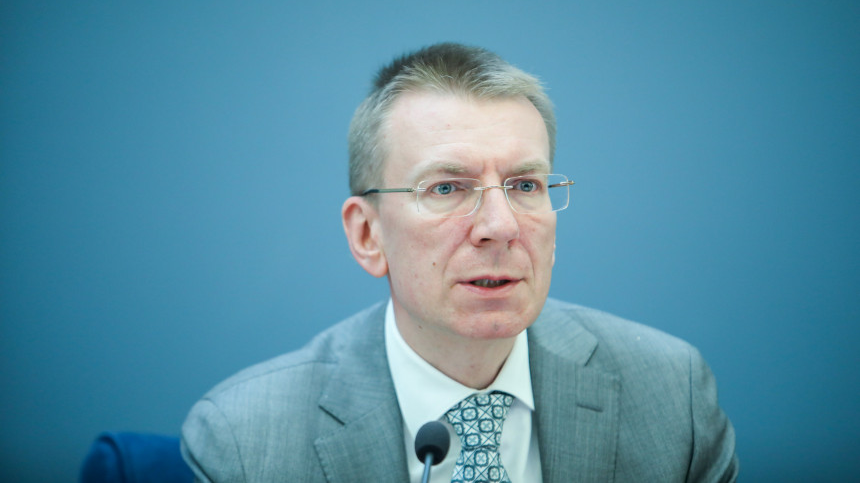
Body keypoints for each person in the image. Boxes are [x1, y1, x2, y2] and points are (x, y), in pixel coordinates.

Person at [181, 43, 738, 483]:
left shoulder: (671, 398)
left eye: (525, 185)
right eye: (446, 188)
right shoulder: (248, 440)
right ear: (368, 234)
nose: (501, 226)